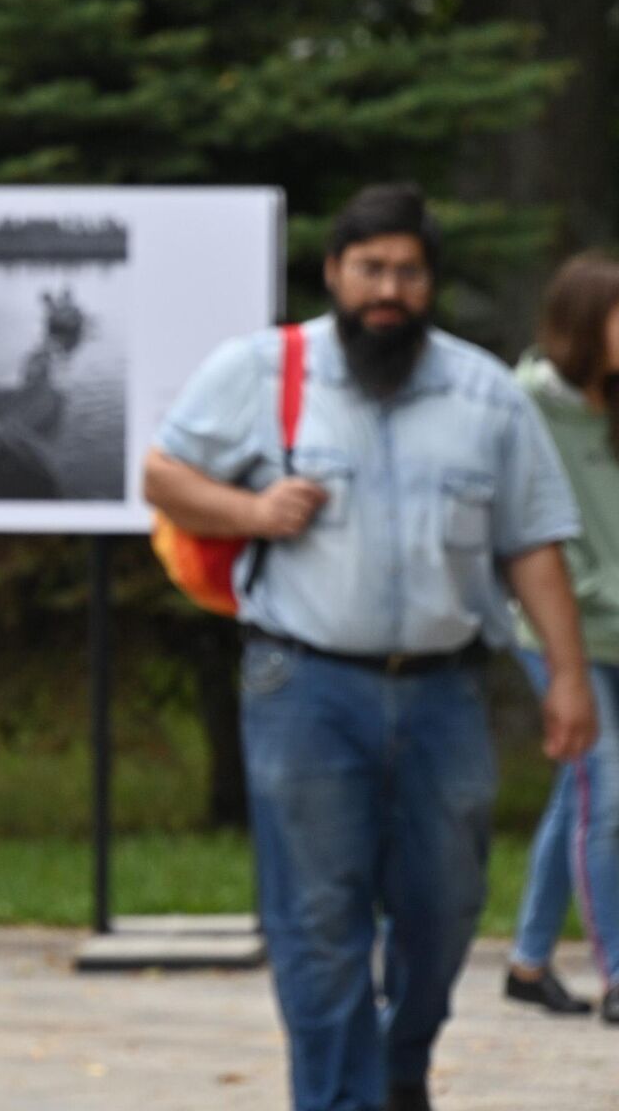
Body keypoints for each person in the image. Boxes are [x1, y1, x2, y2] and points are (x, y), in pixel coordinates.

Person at [143, 183, 600, 1111]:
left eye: (407, 271)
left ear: (429, 283)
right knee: (318, 921)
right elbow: (162, 473)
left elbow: (533, 544)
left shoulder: (484, 393)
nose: (387, 288)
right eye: (370, 269)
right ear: (334, 275)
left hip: (443, 695)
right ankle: (341, 1101)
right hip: (303, 686)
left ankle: (400, 1068)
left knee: (442, 913)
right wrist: (251, 510)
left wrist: (569, 678)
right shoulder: (263, 371)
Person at [502, 253, 619, 1025]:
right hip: (557, 631)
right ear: (585, 325)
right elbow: (531, 535)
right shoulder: (526, 406)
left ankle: (526, 962)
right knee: (608, 795)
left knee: (575, 795)